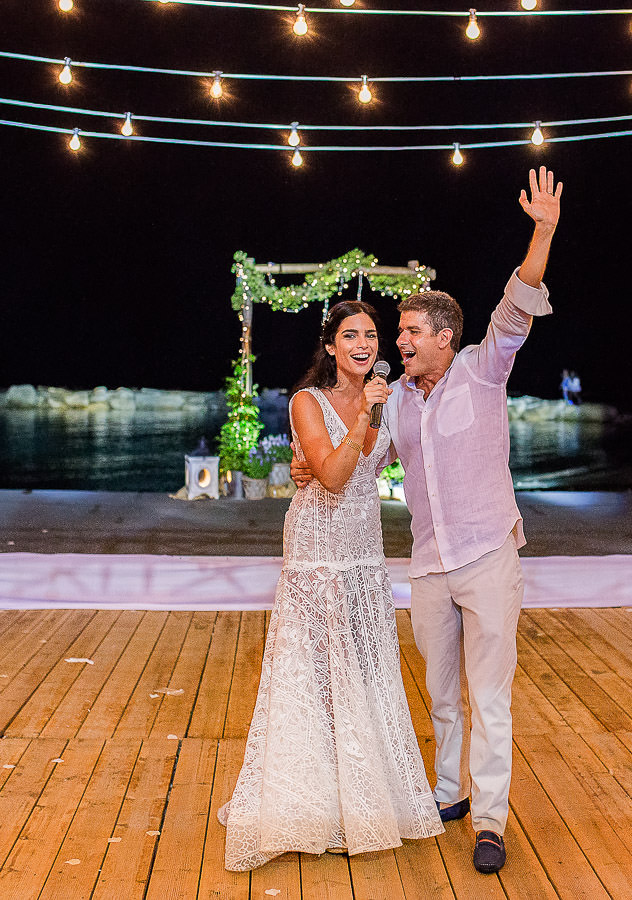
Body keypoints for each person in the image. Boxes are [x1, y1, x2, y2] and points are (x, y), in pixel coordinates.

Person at [297, 167, 564, 874]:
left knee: (490, 696)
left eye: (412, 330)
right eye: (401, 331)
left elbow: (518, 301)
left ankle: (491, 819)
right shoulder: (398, 403)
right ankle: (448, 792)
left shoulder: (484, 368)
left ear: (446, 337)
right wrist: (309, 464)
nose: (400, 340)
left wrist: (542, 229)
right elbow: (352, 461)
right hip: (430, 564)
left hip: (487, 555)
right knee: (442, 693)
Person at [218, 300, 443, 872]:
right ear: (332, 346)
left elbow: (391, 460)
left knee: (364, 672)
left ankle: (363, 802)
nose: (364, 344)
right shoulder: (307, 402)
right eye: (351, 335)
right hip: (316, 555)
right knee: (316, 672)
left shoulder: (381, 403)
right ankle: (309, 804)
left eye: (371, 335)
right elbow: (337, 477)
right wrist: (361, 420)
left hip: (364, 555)